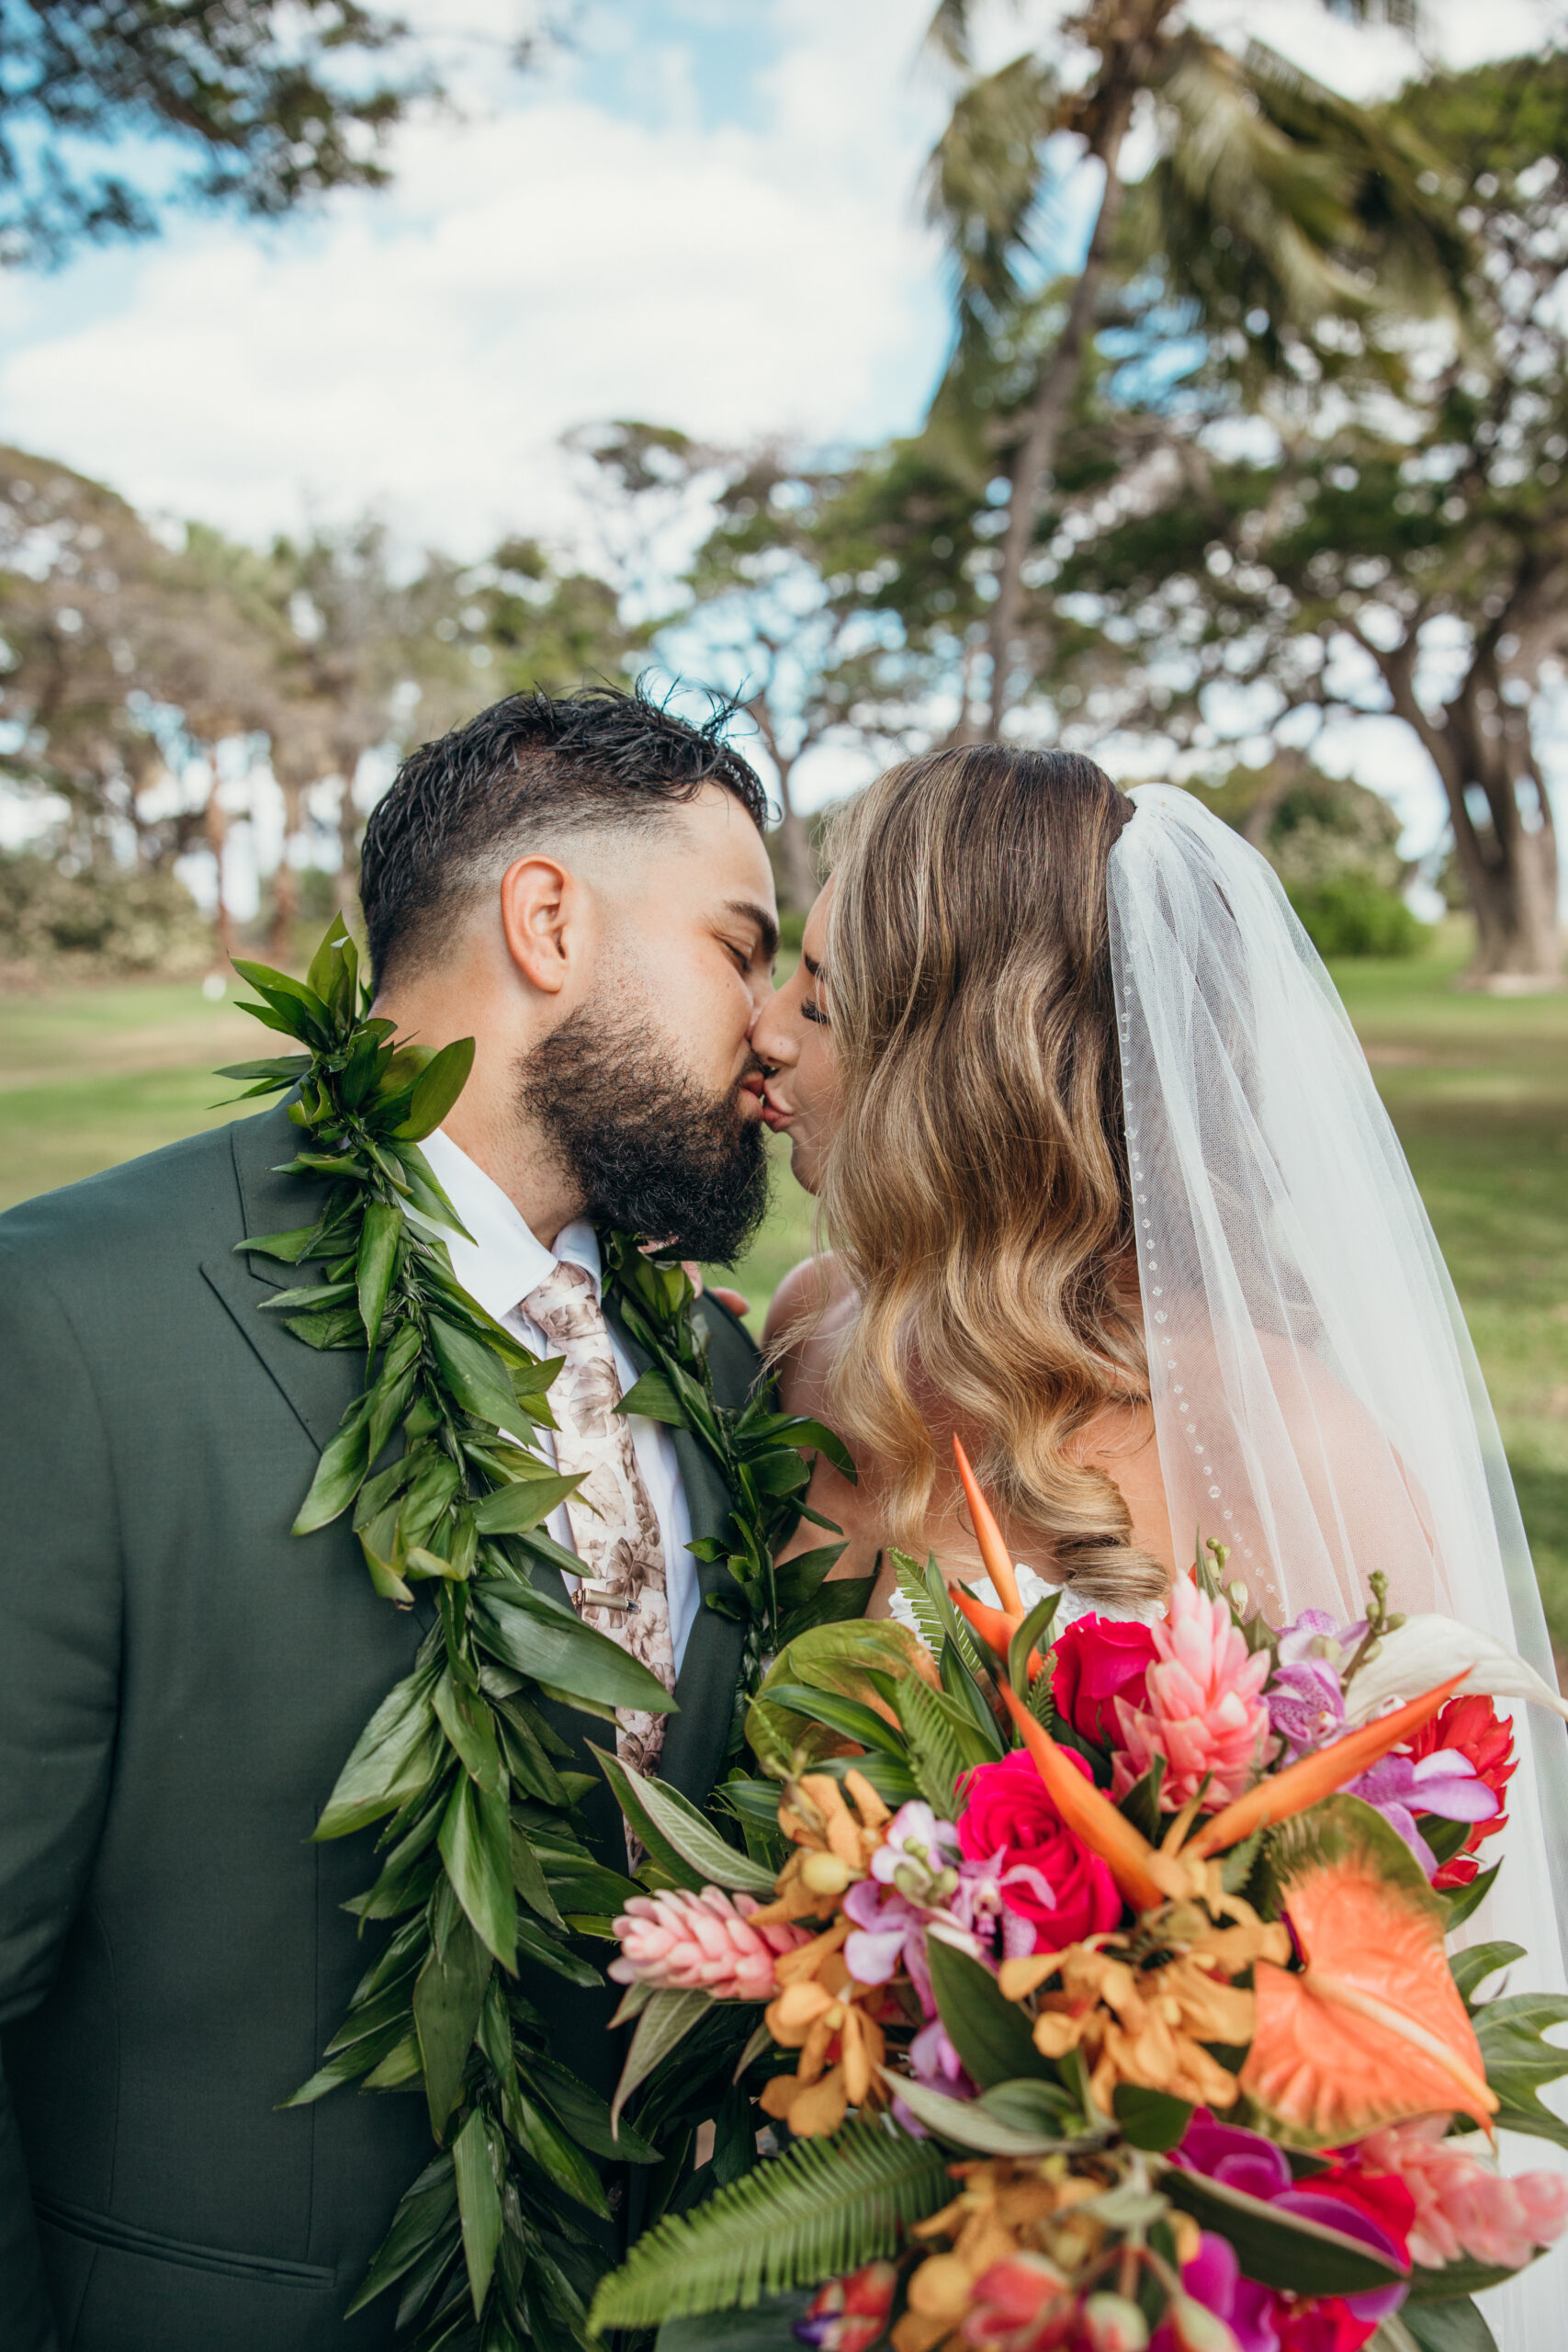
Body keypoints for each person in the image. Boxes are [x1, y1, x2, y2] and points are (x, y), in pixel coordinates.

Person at [752, 741, 1568, 2346]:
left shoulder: (1284, 1439)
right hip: (799, 2211)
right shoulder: (810, 1338)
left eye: (825, 999)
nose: (765, 1035)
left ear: (951, 1066)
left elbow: (1412, 1977)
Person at [0, 685, 778, 2352]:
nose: (774, 1032)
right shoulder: (70, 1324)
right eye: (739, 947)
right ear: (549, 920)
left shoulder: (713, 1363)